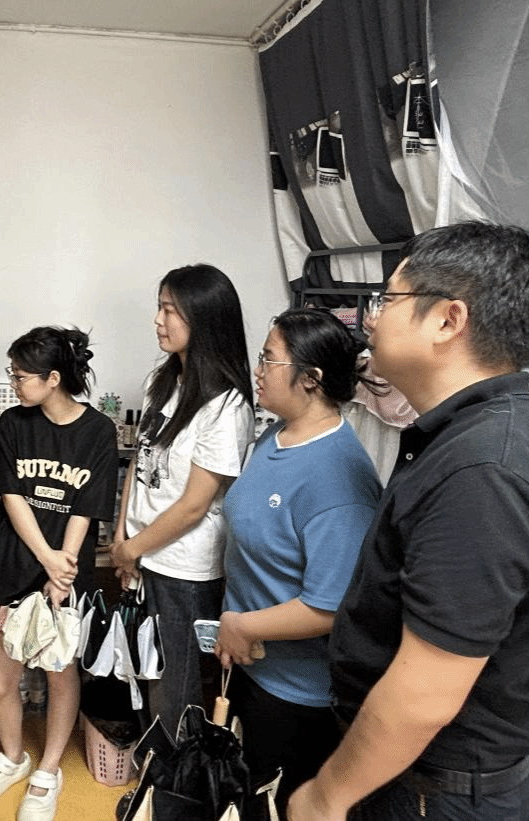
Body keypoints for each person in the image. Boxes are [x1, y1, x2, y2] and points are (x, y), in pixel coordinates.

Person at [287, 222, 529, 821]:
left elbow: (425, 693)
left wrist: (325, 798)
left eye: (388, 300)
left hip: (438, 792)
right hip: (415, 777)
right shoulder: (471, 438)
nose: (371, 318)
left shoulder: (487, 469)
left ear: (448, 320)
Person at [215, 308, 382, 819]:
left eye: (269, 358)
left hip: (294, 692)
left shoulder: (339, 478)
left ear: (311, 378)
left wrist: (242, 626)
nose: (258, 370)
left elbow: (329, 607)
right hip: (248, 663)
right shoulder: (276, 436)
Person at [0, 326, 119, 821]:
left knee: (60, 675)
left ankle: (48, 769)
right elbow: (10, 496)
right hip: (8, 563)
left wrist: (62, 568)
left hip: (65, 573)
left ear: (53, 378)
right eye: (12, 374)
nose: (13, 383)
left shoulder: (98, 430)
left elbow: (86, 508)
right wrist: (46, 557)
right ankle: (13, 757)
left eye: (20, 375)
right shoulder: (14, 422)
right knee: (0, 680)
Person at [111, 263, 255, 728]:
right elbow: (139, 463)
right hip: (143, 555)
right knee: (144, 672)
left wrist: (133, 548)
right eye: (159, 307)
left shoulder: (226, 405)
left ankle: (176, 771)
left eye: (170, 310)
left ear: (204, 319)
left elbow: (195, 505)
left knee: (176, 686)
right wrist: (122, 538)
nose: (158, 320)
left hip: (184, 570)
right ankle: (154, 758)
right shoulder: (164, 380)